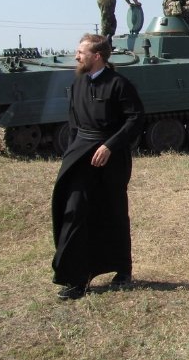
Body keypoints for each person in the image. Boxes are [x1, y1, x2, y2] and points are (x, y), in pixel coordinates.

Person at [51, 34, 145, 300]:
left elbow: (135, 119)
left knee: (114, 211)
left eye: (81, 52)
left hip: (111, 159)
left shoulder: (119, 84)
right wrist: (71, 153)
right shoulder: (78, 83)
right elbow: (73, 121)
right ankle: (76, 278)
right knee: (74, 210)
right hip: (81, 155)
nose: (76, 56)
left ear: (97, 56)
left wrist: (110, 146)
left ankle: (123, 270)